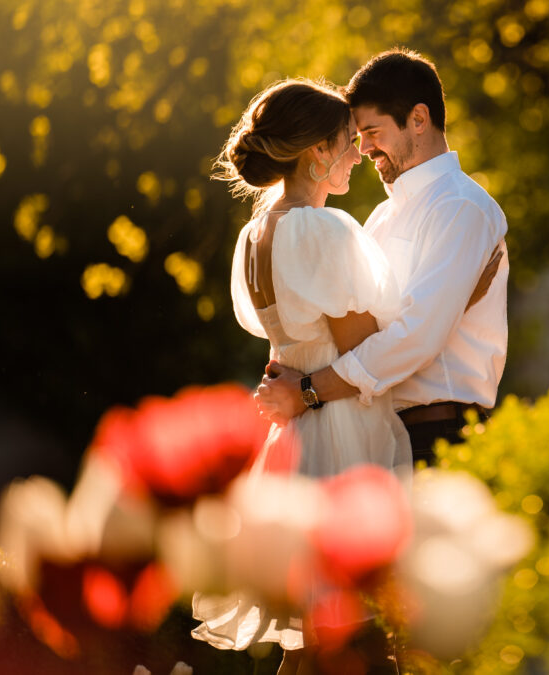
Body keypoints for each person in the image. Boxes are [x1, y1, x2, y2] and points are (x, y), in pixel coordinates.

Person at [191, 77, 495, 675]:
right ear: (319, 152)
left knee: (310, 638)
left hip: (295, 433)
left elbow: (290, 342)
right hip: (343, 426)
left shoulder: (257, 234)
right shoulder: (324, 230)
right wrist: (454, 301)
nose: (359, 153)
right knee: (354, 630)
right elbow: (363, 345)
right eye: (349, 142)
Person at [257, 49, 509, 467]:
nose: (364, 149)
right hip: (375, 434)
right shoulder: (379, 217)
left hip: (437, 434)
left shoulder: (463, 208)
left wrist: (306, 391)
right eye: (358, 137)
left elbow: (416, 337)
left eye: (372, 132)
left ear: (418, 119)